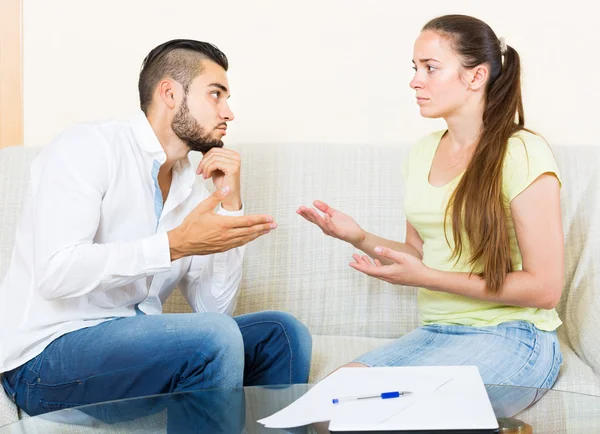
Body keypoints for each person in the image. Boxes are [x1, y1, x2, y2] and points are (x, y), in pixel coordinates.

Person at [0, 39, 312, 417]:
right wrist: (173, 245)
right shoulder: (87, 148)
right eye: (216, 94)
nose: (228, 112)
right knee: (213, 337)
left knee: (282, 333)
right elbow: (55, 272)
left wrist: (230, 204)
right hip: (45, 359)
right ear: (169, 93)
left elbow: (214, 309)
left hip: (132, 353)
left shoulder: (192, 188)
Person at [297, 14, 563, 415]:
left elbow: (545, 289)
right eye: (415, 68)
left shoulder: (522, 152)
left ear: (476, 77)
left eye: (430, 68)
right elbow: (417, 256)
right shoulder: (422, 152)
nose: (415, 81)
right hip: (436, 333)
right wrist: (356, 235)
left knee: (368, 414)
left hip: (514, 337)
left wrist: (430, 279)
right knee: (322, 410)